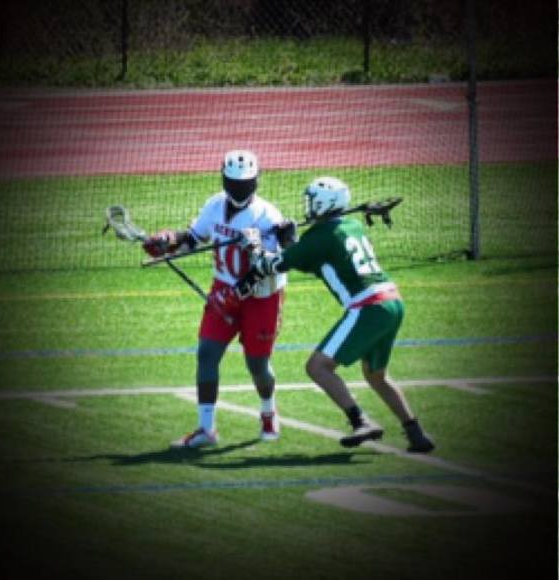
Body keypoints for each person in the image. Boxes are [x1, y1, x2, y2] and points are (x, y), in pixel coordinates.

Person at [235, 176, 435, 453]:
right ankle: (416, 433)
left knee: (317, 367)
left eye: (312, 201)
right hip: (392, 302)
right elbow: (314, 257)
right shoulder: (351, 225)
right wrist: (291, 241)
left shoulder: (318, 238)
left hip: (368, 306)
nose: (307, 206)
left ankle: (360, 421)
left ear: (324, 204)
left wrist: (253, 245)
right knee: (376, 375)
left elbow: (270, 265)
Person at [143, 150, 294, 448]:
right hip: (223, 289)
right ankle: (206, 429)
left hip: (261, 297)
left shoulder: (267, 216)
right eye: (235, 183)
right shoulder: (214, 205)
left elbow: (271, 267)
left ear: (256, 181)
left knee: (258, 365)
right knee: (207, 354)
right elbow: (193, 238)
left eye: (245, 183)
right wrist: (168, 241)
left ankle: (268, 412)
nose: (239, 189)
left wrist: (237, 289)